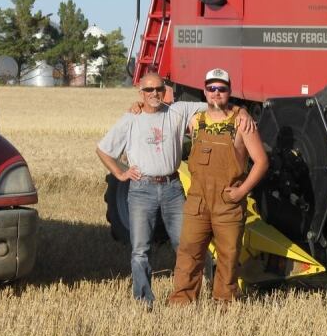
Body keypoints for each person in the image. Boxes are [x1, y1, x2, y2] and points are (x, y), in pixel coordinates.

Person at [97, 72, 252, 308]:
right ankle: (143, 299)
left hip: (172, 186)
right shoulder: (131, 118)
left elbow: (217, 104)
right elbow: (103, 149)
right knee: (140, 249)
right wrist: (120, 173)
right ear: (140, 92)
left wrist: (242, 111)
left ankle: (202, 293)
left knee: (188, 244)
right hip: (141, 189)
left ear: (165, 90)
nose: (154, 94)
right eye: (148, 90)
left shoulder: (178, 111)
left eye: (158, 89)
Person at [168, 68, 269, 305]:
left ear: (229, 92)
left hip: (228, 202)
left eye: (221, 89)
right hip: (198, 201)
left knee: (228, 256)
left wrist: (242, 192)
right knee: (188, 253)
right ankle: (182, 301)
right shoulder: (194, 120)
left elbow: (262, 162)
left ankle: (224, 303)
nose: (216, 93)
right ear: (204, 91)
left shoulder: (242, 123)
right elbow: (159, 111)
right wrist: (139, 107)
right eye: (211, 88)